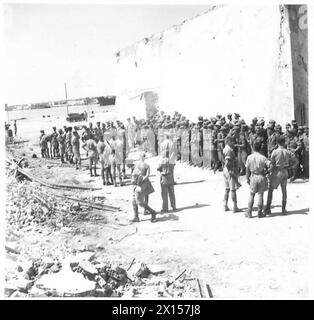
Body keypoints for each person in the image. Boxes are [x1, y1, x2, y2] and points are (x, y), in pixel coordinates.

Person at [264, 135, 299, 216]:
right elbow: (296, 161)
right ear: (284, 142)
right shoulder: (288, 151)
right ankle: (283, 209)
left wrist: (268, 171)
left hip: (276, 172)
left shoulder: (275, 152)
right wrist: (290, 167)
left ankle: (268, 209)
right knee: (284, 190)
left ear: (277, 142)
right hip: (285, 171)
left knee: (270, 190)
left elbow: (272, 164)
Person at [131, 152, 157, 223]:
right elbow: (147, 175)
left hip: (139, 184)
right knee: (136, 200)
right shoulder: (146, 165)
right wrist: (143, 179)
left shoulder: (137, 165)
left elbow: (135, 174)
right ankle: (136, 216)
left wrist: (140, 180)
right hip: (143, 183)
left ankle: (152, 212)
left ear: (140, 157)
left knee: (140, 202)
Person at [245, 141, 269, 218]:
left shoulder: (249, 157)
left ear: (253, 148)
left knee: (252, 194)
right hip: (261, 176)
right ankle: (259, 212)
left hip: (253, 176)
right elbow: (270, 165)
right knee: (260, 195)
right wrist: (267, 172)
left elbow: (247, 169)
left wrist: (247, 178)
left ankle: (249, 212)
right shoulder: (263, 157)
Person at [222, 136, 241, 212]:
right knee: (233, 190)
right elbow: (227, 162)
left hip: (225, 171)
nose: (233, 143)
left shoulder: (225, 148)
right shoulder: (229, 150)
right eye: (232, 141)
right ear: (228, 141)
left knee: (227, 189)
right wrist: (232, 170)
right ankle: (235, 206)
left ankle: (225, 205)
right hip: (230, 170)